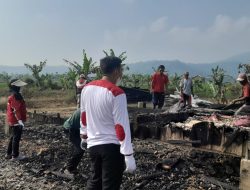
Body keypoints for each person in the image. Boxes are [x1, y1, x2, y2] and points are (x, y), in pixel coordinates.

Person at [80, 56, 136, 190]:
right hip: (111, 147)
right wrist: (128, 154)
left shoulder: (86, 88)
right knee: (110, 185)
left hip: (93, 145)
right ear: (116, 70)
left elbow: (84, 115)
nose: (121, 73)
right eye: (121, 70)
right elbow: (121, 126)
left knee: (95, 182)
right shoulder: (117, 93)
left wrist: (84, 135)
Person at [6, 79, 27, 160]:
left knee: (13, 137)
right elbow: (16, 110)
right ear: (16, 87)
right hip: (16, 120)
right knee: (16, 138)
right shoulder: (15, 96)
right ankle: (15, 156)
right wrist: (19, 120)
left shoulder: (14, 95)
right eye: (19, 86)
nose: (21, 87)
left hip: (13, 119)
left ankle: (9, 154)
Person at [63, 109, 85, 174]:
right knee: (80, 149)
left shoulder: (87, 108)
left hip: (76, 128)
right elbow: (84, 133)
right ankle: (69, 168)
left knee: (81, 147)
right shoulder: (86, 113)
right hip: (70, 129)